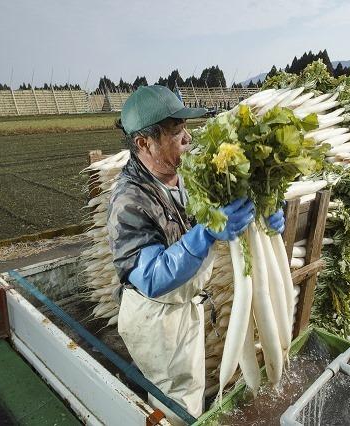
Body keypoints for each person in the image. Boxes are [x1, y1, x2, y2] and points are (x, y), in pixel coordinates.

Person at [107, 85, 285, 422]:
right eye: (176, 133)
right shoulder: (129, 201)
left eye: (185, 129)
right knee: (177, 407)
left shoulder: (183, 172)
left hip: (183, 305)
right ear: (144, 143)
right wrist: (204, 234)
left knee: (189, 392)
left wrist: (271, 206)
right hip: (155, 316)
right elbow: (152, 278)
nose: (187, 138)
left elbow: (230, 189)